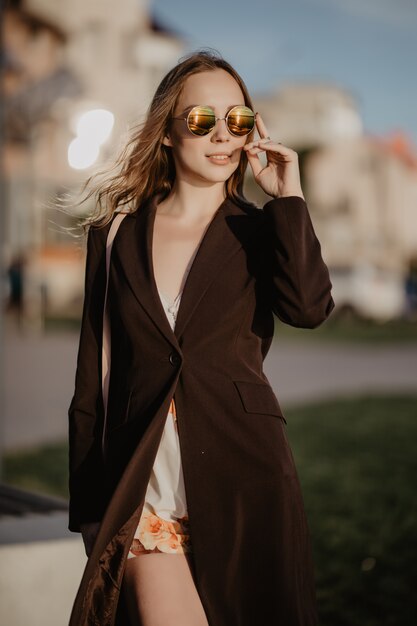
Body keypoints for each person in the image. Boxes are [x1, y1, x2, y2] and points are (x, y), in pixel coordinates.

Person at [68, 50, 335, 626]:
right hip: (144, 491)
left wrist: (288, 199)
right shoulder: (114, 235)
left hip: (246, 481)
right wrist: (90, 507)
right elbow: (93, 377)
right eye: (200, 120)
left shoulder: (261, 229)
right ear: (167, 131)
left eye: (237, 120)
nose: (222, 135)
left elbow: (310, 309)